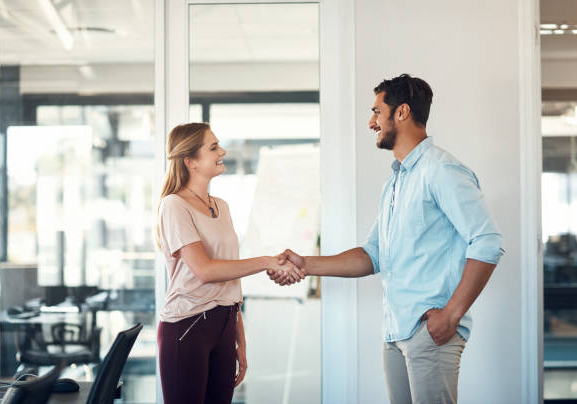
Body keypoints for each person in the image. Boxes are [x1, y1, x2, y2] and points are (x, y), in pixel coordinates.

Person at [268, 74, 504, 404]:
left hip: (429, 331)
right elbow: (373, 254)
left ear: (402, 112)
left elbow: (487, 241)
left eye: (377, 112)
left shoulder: (442, 171)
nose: (371, 122)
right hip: (396, 331)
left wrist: (451, 315)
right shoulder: (395, 182)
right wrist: (306, 264)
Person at [156, 122, 304, 404]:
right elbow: (205, 270)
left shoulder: (220, 206)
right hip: (187, 326)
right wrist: (266, 261)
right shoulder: (174, 205)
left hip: (223, 324)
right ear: (190, 161)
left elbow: (228, 280)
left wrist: (240, 339)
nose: (222, 151)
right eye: (213, 148)